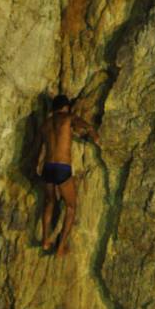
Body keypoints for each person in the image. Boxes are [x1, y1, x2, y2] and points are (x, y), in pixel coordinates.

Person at [36, 94, 96, 257]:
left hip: (47, 168)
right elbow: (83, 125)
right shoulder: (68, 117)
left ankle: (46, 239)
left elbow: (38, 150)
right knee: (71, 207)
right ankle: (61, 247)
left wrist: (37, 169)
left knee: (49, 203)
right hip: (62, 168)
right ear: (66, 107)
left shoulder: (45, 125)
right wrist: (93, 133)